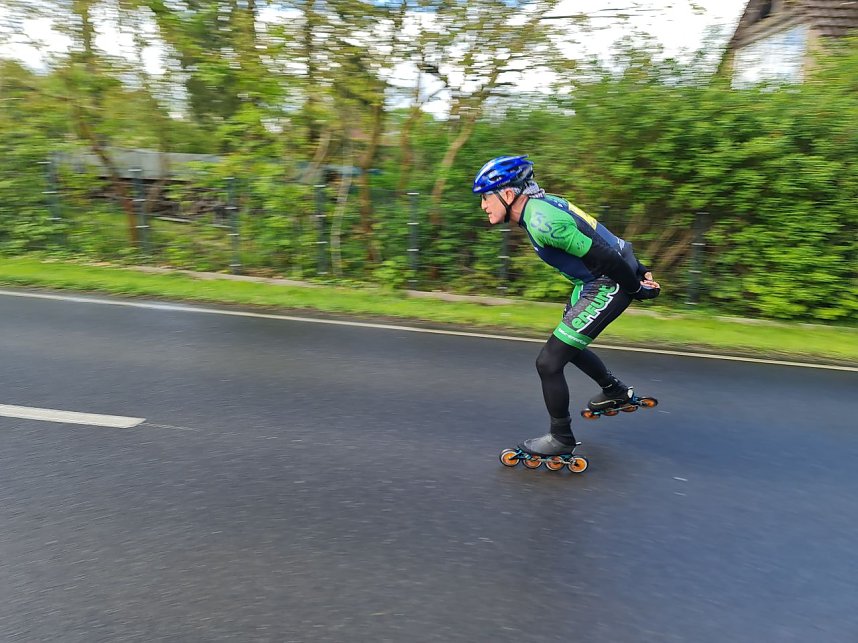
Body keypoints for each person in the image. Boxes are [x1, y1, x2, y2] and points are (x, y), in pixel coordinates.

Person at [473, 154, 660, 457]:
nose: (483, 206)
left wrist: (635, 285)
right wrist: (637, 265)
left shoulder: (542, 220)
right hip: (597, 278)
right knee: (567, 343)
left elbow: (608, 257)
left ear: (508, 194)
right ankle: (614, 391)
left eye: (485, 198)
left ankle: (561, 438)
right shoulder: (546, 202)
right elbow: (605, 237)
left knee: (549, 362)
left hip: (607, 282)